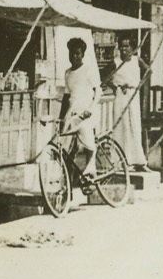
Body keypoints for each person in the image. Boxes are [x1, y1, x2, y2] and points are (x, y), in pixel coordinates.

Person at [59, 38, 101, 186]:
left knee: (87, 140)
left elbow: (98, 92)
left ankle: (91, 173)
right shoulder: (67, 73)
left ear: (82, 54)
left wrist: (90, 109)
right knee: (66, 147)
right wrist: (61, 118)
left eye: (77, 53)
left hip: (88, 113)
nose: (74, 56)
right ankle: (69, 182)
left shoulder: (88, 70)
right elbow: (66, 97)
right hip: (73, 113)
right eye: (72, 53)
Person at [104, 41, 149, 169]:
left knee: (134, 126)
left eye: (126, 46)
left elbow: (148, 71)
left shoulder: (137, 60)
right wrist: (115, 87)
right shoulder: (115, 62)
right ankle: (121, 162)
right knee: (121, 127)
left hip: (133, 95)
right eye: (121, 46)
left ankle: (138, 161)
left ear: (132, 47)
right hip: (121, 95)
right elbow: (103, 76)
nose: (123, 49)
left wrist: (140, 84)